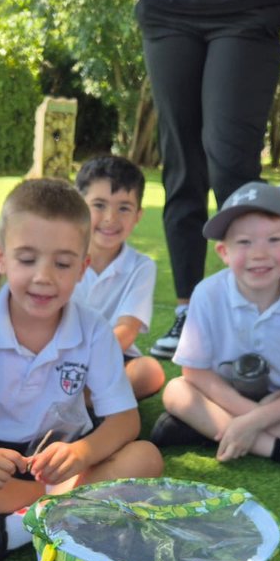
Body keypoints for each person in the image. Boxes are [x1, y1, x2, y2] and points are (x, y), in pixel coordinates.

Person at [0, 179, 164, 561]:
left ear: (82, 268)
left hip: (67, 457)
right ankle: (55, 509)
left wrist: (82, 453)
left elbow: (125, 421)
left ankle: (10, 531)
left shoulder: (95, 330)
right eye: (27, 259)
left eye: (62, 264)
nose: (43, 277)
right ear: (1, 258)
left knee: (146, 457)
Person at [136, 0, 280, 359]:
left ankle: (253, 313)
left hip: (250, 11)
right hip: (168, 11)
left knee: (231, 168)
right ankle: (188, 312)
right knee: (182, 166)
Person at [149, 182, 280, 472]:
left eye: (274, 240)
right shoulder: (207, 293)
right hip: (223, 393)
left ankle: (207, 430)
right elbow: (194, 372)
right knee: (175, 391)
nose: (259, 254)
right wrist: (253, 416)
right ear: (223, 251)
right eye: (244, 242)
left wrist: (256, 420)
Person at [73, 155, 165, 399]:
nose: (110, 218)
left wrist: (87, 367)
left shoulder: (141, 266)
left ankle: (83, 402)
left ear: (138, 216)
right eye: (99, 205)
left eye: (124, 208)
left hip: (113, 355)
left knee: (150, 371)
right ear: (78, 206)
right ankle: (88, 401)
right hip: (58, 354)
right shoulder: (59, 257)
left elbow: (127, 329)